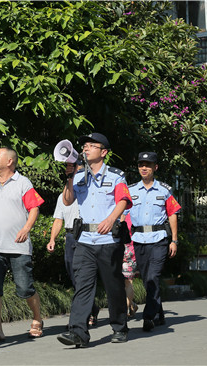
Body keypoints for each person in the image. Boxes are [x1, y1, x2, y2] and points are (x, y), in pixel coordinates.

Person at [57, 133, 132, 348]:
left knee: (113, 285)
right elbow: (68, 200)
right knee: (83, 285)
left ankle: (119, 326)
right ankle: (78, 332)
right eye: (84, 145)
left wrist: (111, 219)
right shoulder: (79, 177)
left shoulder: (116, 176)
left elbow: (124, 200)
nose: (86, 148)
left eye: (92, 145)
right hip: (85, 240)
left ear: (104, 152)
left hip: (108, 239)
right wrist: (70, 176)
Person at [0, 147, 45, 344]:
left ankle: (37, 319)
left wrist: (26, 228)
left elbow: (34, 208)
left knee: (25, 289)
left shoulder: (23, 183)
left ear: (9, 161)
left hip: (18, 247)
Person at [126, 152, 181, 332]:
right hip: (138, 239)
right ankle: (159, 312)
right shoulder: (131, 190)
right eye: (141, 164)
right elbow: (122, 214)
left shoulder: (165, 190)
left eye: (148, 165)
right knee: (147, 279)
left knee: (153, 276)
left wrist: (174, 240)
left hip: (159, 239)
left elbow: (172, 214)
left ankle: (148, 316)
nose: (144, 168)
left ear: (155, 167)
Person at [46, 192, 100, 326]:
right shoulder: (62, 197)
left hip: (86, 235)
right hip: (70, 237)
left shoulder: (89, 193)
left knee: (84, 276)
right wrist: (52, 239)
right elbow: (58, 219)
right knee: (73, 275)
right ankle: (92, 308)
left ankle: (84, 315)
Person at [122, 213, 138, 318]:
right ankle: (131, 305)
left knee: (127, 281)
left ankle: (126, 307)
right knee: (123, 281)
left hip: (129, 249)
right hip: (117, 248)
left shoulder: (132, 213)